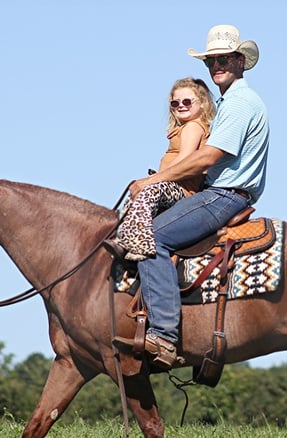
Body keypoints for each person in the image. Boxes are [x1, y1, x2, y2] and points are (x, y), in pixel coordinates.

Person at [114, 24, 270, 369]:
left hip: (225, 195)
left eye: (224, 59)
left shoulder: (241, 103)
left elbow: (209, 157)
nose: (217, 65)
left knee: (152, 238)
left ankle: (165, 337)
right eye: (211, 61)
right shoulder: (232, 102)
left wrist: (151, 181)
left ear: (240, 60)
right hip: (223, 192)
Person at [104, 78, 217, 261]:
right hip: (174, 185)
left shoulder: (193, 127)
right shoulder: (184, 128)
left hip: (182, 188)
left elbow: (185, 159)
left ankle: (139, 243)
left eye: (187, 101)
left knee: (149, 191)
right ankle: (124, 238)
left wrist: (156, 178)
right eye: (175, 103)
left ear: (202, 104)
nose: (181, 106)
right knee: (136, 197)